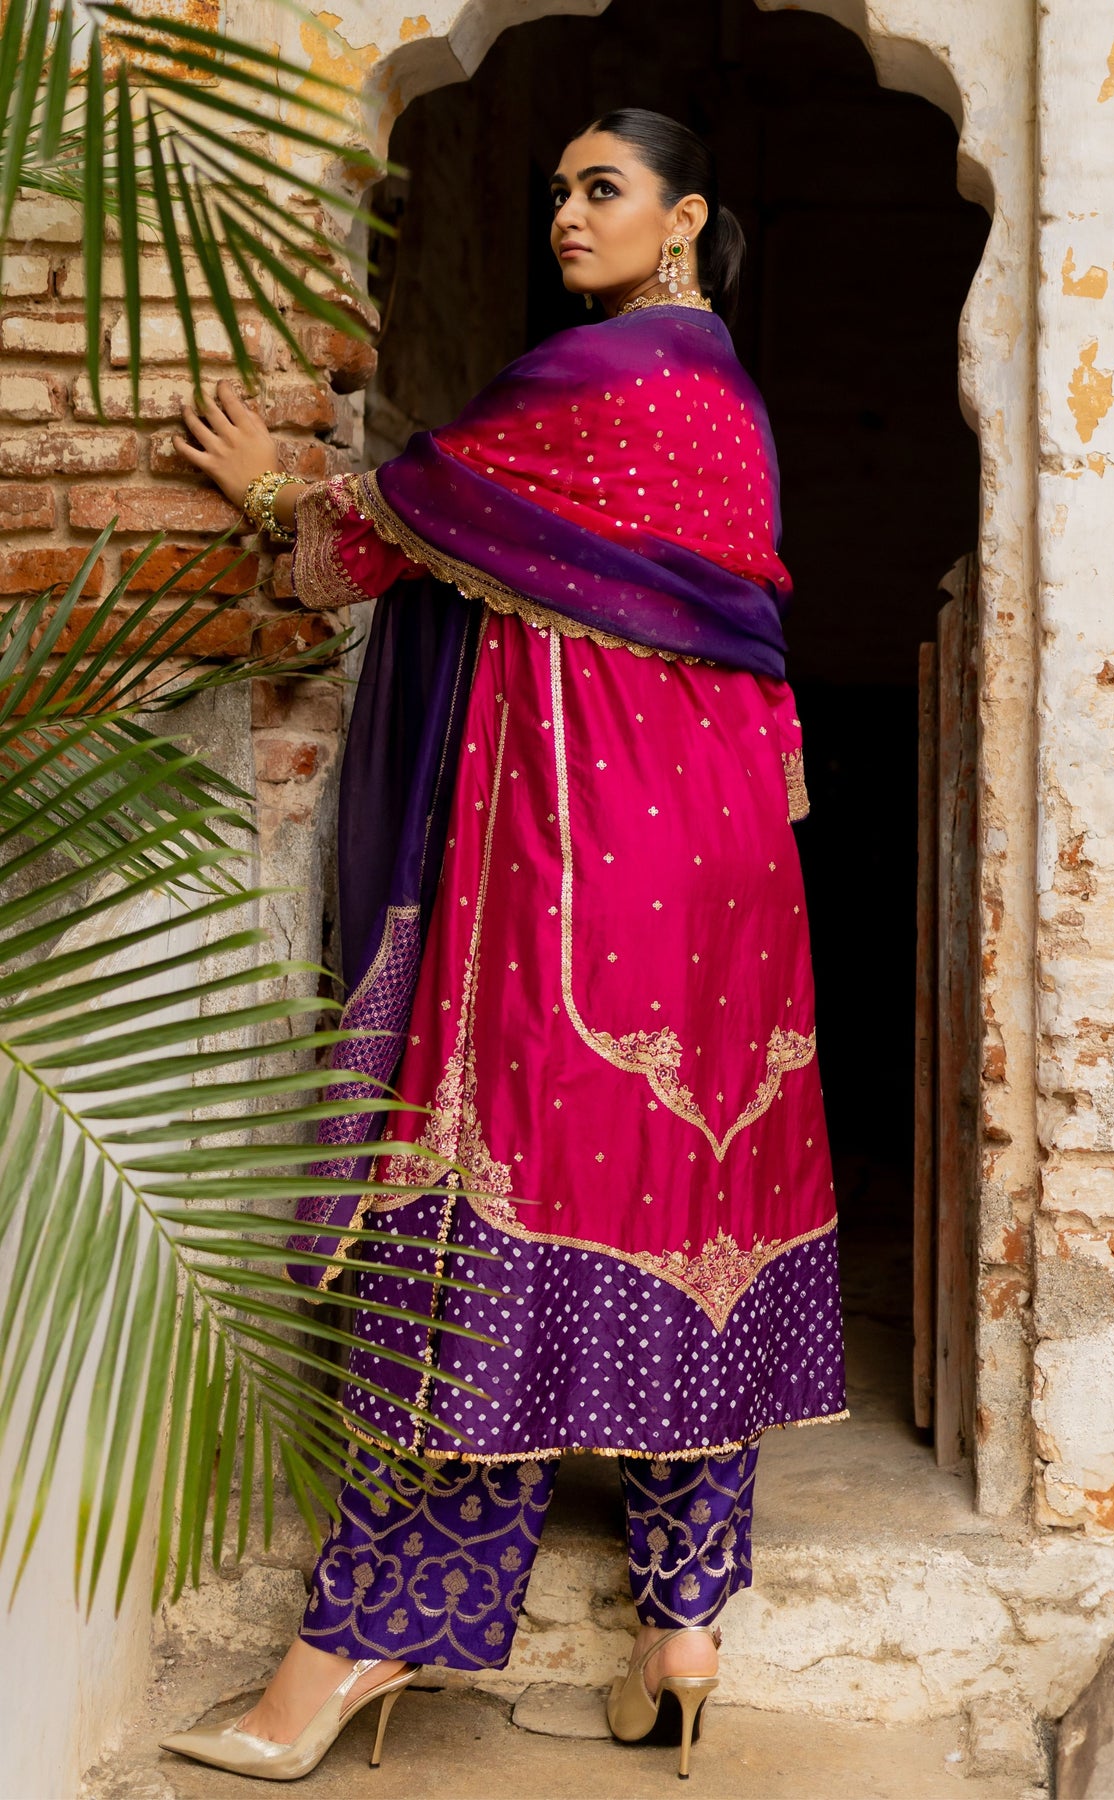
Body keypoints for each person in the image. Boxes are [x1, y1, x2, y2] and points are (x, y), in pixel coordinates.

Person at [161, 107, 847, 1784]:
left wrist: (274, 492)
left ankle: (368, 1633)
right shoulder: (736, 411)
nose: (566, 214)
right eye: (555, 192)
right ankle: (681, 1630)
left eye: (600, 189)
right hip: (732, 861)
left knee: (492, 1207)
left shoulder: (595, 382)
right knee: (691, 1193)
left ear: (684, 217)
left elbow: (371, 535)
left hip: (580, 852)